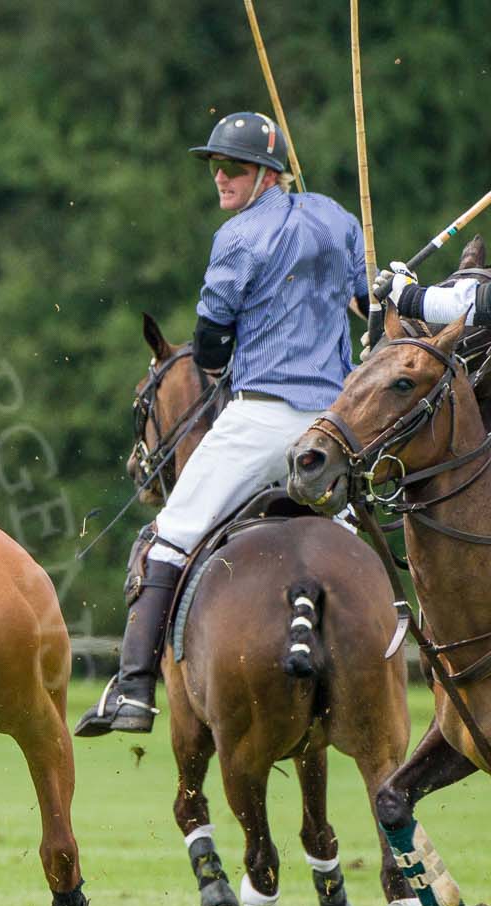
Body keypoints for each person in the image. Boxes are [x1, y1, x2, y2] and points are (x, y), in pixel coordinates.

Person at [78, 112, 369, 736]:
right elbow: (367, 303)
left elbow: (209, 342)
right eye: (214, 166)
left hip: (262, 421)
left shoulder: (239, 237)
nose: (219, 177)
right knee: (359, 548)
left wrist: (222, 355)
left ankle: (133, 689)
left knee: (173, 533)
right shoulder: (340, 220)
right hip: (336, 429)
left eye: (232, 167)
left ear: (267, 174)